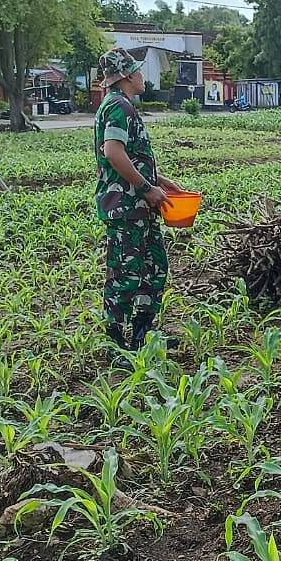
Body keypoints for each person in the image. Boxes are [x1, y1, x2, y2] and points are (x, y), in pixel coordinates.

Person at [93, 46, 187, 364]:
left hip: (138, 206)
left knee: (154, 266)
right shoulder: (118, 107)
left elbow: (132, 157)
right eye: (138, 71)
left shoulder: (123, 105)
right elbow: (113, 152)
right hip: (126, 207)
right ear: (128, 76)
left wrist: (161, 182)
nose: (142, 76)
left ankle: (141, 333)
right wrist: (146, 188)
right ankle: (117, 344)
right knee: (125, 274)